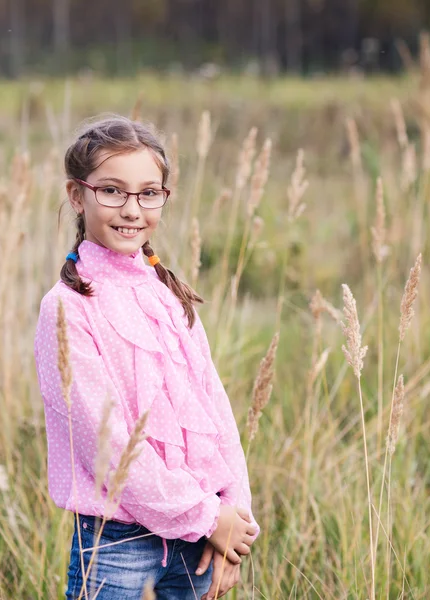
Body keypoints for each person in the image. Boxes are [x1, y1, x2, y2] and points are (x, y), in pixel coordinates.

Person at [34, 115, 259, 600]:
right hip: (117, 546)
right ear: (78, 195)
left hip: (198, 543)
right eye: (112, 191)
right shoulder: (68, 308)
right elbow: (107, 445)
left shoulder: (167, 293)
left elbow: (217, 415)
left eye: (148, 193)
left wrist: (231, 523)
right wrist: (207, 517)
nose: (132, 209)